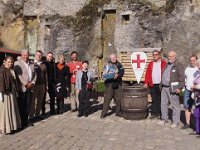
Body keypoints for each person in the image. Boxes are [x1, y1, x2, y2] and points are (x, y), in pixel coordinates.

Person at [158, 51, 184, 128]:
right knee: (163, 104)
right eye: (168, 56)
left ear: (174, 57)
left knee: (175, 105)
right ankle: (164, 119)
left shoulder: (179, 65)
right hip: (164, 88)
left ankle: (175, 122)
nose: (168, 57)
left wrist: (179, 88)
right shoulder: (167, 65)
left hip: (173, 89)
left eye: (170, 56)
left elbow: (182, 79)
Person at [14, 50, 37, 128]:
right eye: (24, 55)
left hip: (31, 87)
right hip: (22, 87)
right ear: (21, 55)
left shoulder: (32, 64)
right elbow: (19, 76)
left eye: (27, 55)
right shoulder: (17, 63)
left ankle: (25, 121)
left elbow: (35, 75)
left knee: (28, 105)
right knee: (22, 105)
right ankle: (21, 122)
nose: (25, 56)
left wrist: (32, 83)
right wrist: (26, 84)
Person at [0, 56, 21, 134]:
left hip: (12, 92)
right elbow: (1, 82)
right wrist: (1, 93)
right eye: (9, 62)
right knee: (6, 110)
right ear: (5, 61)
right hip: (5, 93)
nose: (10, 63)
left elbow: (14, 81)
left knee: (12, 109)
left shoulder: (11, 70)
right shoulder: (2, 70)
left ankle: (13, 126)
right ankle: (6, 128)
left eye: (11, 62)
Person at [100, 53, 124, 118]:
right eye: (112, 58)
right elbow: (103, 74)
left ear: (116, 57)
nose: (113, 59)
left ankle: (118, 112)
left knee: (118, 99)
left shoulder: (119, 64)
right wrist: (108, 76)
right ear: (110, 58)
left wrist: (118, 75)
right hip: (109, 84)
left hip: (118, 83)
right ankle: (104, 113)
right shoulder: (107, 65)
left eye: (114, 57)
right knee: (107, 99)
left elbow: (122, 72)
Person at [144, 50, 166, 118]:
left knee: (161, 99)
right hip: (152, 83)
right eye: (153, 55)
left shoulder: (163, 63)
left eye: (156, 54)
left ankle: (160, 113)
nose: (155, 56)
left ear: (159, 55)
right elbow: (147, 73)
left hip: (160, 84)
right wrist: (146, 82)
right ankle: (154, 113)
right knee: (154, 99)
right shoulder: (151, 63)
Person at [29, 50, 48, 119]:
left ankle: (37, 114)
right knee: (33, 101)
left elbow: (46, 76)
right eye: (37, 55)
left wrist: (46, 85)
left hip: (42, 85)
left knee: (40, 101)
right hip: (34, 85)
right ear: (35, 55)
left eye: (40, 55)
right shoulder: (31, 63)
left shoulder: (44, 65)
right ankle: (31, 116)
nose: (38, 56)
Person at [181, 55, 198, 129]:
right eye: (191, 60)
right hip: (188, 90)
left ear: (196, 61)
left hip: (196, 91)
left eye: (193, 60)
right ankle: (187, 123)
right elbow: (185, 78)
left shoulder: (198, 69)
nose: (192, 62)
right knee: (187, 106)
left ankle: (196, 124)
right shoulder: (187, 69)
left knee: (196, 107)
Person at [190, 59, 200, 137]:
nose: (198, 67)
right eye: (198, 65)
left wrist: (195, 86)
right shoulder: (198, 74)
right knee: (196, 114)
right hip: (197, 97)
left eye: (199, 65)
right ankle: (197, 130)